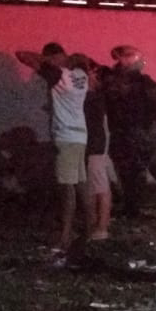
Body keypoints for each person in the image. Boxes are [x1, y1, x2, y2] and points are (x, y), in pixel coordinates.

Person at [15, 42, 89, 255]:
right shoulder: (80, 76)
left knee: (66, 187)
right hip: (80, 135)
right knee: (80, 184)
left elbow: (21, 54)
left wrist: (47, 61)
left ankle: (65, 235)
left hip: (66, 136)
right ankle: (90, 227)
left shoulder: (59, 75)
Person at [103, 45, 156, 218]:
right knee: (140, 169)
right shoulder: (119, 80)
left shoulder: (139, 83)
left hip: (137, 132)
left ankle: (138, 206)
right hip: (130, 132)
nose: (121, 61)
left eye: (126, 57)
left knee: (139, 169)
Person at [71, 54, 111, 240]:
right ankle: (95, 223)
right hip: (90, 144)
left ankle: (102, 226)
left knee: (100, 186)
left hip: (95, 144)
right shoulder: (91, 96)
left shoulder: (94, 97)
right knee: (94, 185)